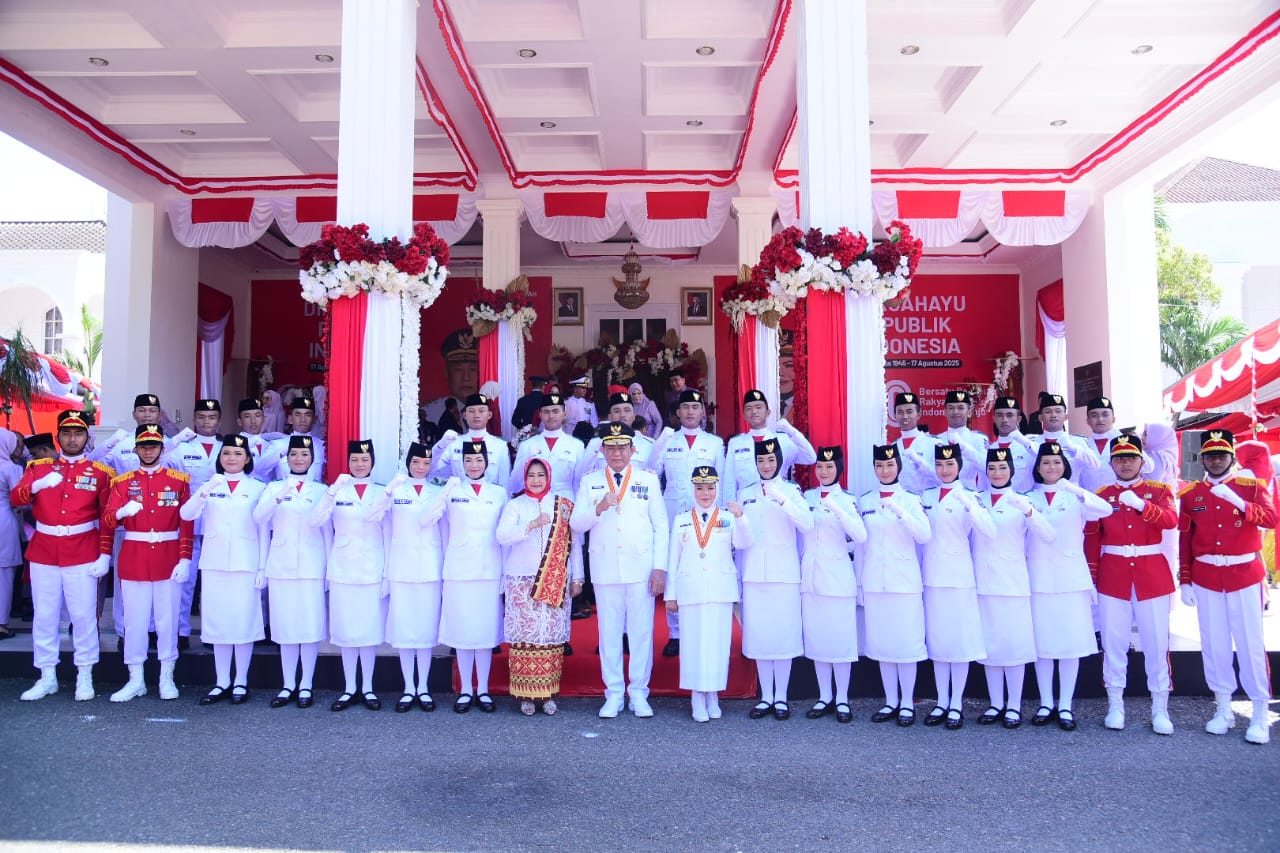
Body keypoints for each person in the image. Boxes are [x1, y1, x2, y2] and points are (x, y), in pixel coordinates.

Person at [1178, 430, 1276, 744]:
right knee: (1214, 643)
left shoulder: (1250, 486)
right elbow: (1186, 541)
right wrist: (1186, 579)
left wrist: (1239, 503)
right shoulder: (1191, 494)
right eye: (1210, 455)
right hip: (1207, 576)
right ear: (1202, 458)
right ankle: (1222, 707)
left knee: (1249, 644)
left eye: (1221, 454)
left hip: (1244, 574)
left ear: (1231, 457)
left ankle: (1259, 711)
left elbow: (1272, 518)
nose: (1216, 460)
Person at [12, 410, 114, 701]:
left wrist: (104, 554)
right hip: (45, 549)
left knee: (82, 616)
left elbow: (107, 518)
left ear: (87, 437)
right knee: (44, 616)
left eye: (78, 433)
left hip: (82, 549)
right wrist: (36, 486)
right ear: (58, 437)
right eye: (67, 433)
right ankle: (47, 676)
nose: (72, 439)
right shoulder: (38, 468)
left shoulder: (100, 474)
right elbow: (16, 498)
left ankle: (85, 674)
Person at [570, 423, 669, 718]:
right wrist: (597, 508)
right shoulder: (590, 482)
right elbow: (576, 524)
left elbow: (661, 526)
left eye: (622, 447)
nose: (616, 453)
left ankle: (639, 692)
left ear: (632, 450)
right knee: (609, 634)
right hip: (605, 567)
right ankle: (613, 693)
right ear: (602, 450)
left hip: (640, 568)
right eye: (610, 447)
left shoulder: (647, 480)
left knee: (640, 634)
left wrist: (660, 568)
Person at [1085, 435, 1178, 734]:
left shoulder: (1158, 490)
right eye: (1119, 458)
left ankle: (1160, 707)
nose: (1125, 463)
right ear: (1111, 462)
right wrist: (1092, 577)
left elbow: (1170, 521)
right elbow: (1092, 538)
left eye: (1131, 458)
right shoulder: (1101, 494)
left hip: (1151, 574)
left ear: (1141, 460)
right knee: (1113, 643)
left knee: (1156, 643)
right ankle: (1115, 704)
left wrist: (1142, 505)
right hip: (1114, 575)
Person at [102, 424, 194, 702]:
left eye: (153, 445)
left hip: (167, 557)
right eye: (144, 445)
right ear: (136, 449)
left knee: (168, 622)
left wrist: (185, 558)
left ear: (162, 449)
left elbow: (186, 524)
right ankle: (136, 680)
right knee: (135, 622)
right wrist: (120, 512)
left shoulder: (179, 481)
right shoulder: (122, 483)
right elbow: (107, 521)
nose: (149, 450)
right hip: (135, 556)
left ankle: (167, 677)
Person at [1025, 441, 1110, 730]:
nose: (1051, 467)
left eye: (1057, 463)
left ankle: (1065, 704)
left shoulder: (1076, 498)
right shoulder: (1028, 498)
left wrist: (1074, 488)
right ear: (1037, 468)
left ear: (1065, 467)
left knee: (1070, 644)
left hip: (1070, 578)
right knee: (1043, 644)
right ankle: (1046, 701)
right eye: (1046, 463)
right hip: (1038, 577)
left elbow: (1106, 509)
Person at [179, 434, 268, 705]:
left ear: (248, 459)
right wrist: (205, 491)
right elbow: (186, 514)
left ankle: (240, 681)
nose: (231, 458)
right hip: (215, 562)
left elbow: (263, 530)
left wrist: (262, 567)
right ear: (220, 458)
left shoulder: (258, 488)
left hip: (246, 562)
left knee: (242, 622)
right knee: (218, 623)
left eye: (238, 454)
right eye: (227, 453)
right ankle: (221, 681)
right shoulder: (210, 484)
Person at [497, 458, 584, 715]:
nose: (536, 480)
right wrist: (531, 525)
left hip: (556, 578)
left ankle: (547, 694)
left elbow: (574, 545)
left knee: (549, 638)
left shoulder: (564, 506)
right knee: (525, 639)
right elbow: (502, 536)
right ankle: (525, 696)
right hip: (521, 579)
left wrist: (577, 578)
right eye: (532, 475)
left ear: (549, 477)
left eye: (541, 475)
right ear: (525, 478)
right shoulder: (515, 505)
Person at [666, 464, 749, 722]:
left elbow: (745, 543)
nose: (705, 493)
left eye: (710, 488)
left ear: (717, 489)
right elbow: (673, 559)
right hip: (690, 589)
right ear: (693, 489)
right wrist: (671, 594)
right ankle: (696, 696)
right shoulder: (681, 519)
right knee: (692, 644)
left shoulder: (727, 517)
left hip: (719, 589)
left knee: (717, 644)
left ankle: (713, 693)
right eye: (700, 488)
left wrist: (741, 518)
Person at [370, 441, 448, 713]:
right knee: (405, 630)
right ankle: (408, 688)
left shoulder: (438, 492)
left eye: (426, 463)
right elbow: (375, 517)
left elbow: (445, 533)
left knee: (425, 631)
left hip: (429, 566)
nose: (421, 467)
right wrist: (389, 489)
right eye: (416, 462)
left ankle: (423, 687)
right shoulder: (396, 491)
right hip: (401, 566)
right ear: (408, 463)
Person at [856, 444, 931, 726]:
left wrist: (902, 512)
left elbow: (924, 535)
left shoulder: (911, 499)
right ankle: (890, 701)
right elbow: (862, 546)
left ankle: (908, 702)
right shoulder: (866, 501)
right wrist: (861, 584)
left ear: (898, 467)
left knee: (906, 644)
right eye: (879, 466)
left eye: (889, 465)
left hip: (904, 582)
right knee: (883, 644)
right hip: (876, 580)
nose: (884, 470)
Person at [973, 448, 1048, 729]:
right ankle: (995, 703)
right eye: (992, 468)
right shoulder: (976, 500)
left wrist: (1028, 510)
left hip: (1012, 581)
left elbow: (1045, 534)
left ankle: (1014, 705)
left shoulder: (1022, 500)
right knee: (990, 646)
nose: (997, 473)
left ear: (1012, 472)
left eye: (1002, 468)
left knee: (1013, 646)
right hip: (983, 581)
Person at [737, 439, 812, 720]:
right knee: (760, 636)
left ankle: (781, 697)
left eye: (770, 460)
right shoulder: (746, 493)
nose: (766, 466)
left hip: (784, 574)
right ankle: (766, 696)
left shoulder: (792, 491)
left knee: (782, 637)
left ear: (779, 462)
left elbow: (806, 525)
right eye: (761, 461)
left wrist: (783, 499)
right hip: (755, 573)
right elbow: (741, 537)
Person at [920, 444, 994, 728]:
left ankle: (956, 703)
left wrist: (972, 506)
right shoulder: (925, 496)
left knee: (960, 640)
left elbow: (987, 532)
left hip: (960, 575)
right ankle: (941, 701)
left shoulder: (970, 496)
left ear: (959, 466)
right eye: (940, 465)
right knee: (940, 640)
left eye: (950, 465)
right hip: (932, 576)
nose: (944, 470)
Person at [254, 436, 331, 709]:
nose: (299, 459)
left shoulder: (321, 490)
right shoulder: (273, 487)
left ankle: (307, 684)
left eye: (304, 455)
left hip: (312, 563)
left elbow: (327, 533)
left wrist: (328, 570)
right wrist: (280, 493)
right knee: (286, 627)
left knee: (309, 627)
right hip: (281, 563)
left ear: (312, 460)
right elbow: (260, 519)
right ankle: (288, 684)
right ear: (285, 459)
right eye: (294, 455)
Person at [312, 440, 388, 712]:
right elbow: (316, 520)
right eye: (354, 459)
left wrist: (387, 573)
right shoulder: (338, 491)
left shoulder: (382, 492)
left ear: (372, 463)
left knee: (367, 630)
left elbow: (388, 534)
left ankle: (367, 687)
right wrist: (332, 491)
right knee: (345, 630)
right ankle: (349, 688)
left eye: (364, 459)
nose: (359, 464)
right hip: (343, 566)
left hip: (372, 567)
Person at [654, 388, 724, 656]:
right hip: (673, 512)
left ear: (702, 412)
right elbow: (652, 470)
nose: (690, 412)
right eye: (685, 408)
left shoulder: (715, 443)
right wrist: (661, 440)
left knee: (702, 567)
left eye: (695, 408)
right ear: (678, 412)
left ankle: (701, 629)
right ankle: (676, 633)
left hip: (706, 514)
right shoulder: (670, 440)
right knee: (675, 567)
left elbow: (723, 484)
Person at [799, 446, 866, 723]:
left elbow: (859, 536)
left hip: (838, 577)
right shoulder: (807, 497)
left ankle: (842, 698)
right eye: (820, 467)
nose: (824, 472)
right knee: (818, 640)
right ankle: (824, 695)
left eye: (829, 467)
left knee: (840, 641)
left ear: (839, 469)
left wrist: (838, 509)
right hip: (812, 576)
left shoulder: (848, 499)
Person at [439, 440, 503, 714]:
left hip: (489, 568)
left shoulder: (499, 494)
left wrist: (504, 574)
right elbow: (442, 532)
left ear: (486, 464)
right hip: (459, 568)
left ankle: (484, 689)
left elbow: (503, 537)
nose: (473, 465)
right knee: (464, 631)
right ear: (461, 464)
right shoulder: (451, 492)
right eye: (468, 461)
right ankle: (466, 689)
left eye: (478, 461)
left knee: (485, 632)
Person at [165, 398, 224, 650]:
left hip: (220, 523)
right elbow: (161, 462)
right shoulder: (181, 449)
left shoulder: (228, 447)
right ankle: (180, 630)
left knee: (216, 581)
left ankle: (215, 632)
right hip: (189, 523)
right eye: (201, 417)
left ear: (219, 420)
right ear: (194, 419)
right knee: (185, 579)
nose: (206, 422)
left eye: (211, 417)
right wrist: (176, 439)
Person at [722, 389, 816, 503]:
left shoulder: (782, 440)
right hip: (746, 505)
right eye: (749, 408)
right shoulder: (736, 443)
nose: (754, 411)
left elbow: (811, 458)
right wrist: (729, 510)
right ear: (744, 415)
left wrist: (792, 432)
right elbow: (729, 481)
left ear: (768, 412)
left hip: (776, 502)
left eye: (758, 407)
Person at [510, 392, 585, 497]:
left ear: (564, 413)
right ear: (540, 414)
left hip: (565, 503)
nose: (551, 416)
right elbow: (515, 483)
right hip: (534, 503)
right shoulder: (527, 445)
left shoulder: (576, 446)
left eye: (555, 411)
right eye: (546, 412)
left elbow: (579, 483)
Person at [577, 391, 668, 477]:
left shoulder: (649, 445)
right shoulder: (596, 443)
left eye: (627, 410)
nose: (622, 415)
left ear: (634, 416)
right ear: (610, 417)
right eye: (617, 411)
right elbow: (584, 474)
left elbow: (655, 476)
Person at [431, 393, 511, 488]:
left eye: (481, 411)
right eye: (472, 411)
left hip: (490, 500)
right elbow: (432, 469)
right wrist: (440, 445)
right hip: (460, 499)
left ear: (489, 415)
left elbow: (505, 482)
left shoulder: (499, 446)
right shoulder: (454, 444)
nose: (476, 415)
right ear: (465, 415)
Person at [1026, 393, 1100, 482]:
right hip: (1039, 493)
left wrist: (1074, 448)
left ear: (1066, 416)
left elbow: (1095, 465)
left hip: (1071, 494)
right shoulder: (1031, 442)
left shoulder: (1078, 441)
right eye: (1048, 412)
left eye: (1058, 411)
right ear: (1040, 417)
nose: (1053, 415)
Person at [422, 328, 480, 426]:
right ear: (446, 372)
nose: (466, 378)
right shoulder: (430, 413)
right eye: (458, 370)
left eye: (473, 369)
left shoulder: (490, 410)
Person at [892, 391, 940, 495]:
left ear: (919, 414)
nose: (905, 416)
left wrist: (919, 462)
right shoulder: (892, 447)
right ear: (895, 415)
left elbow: (943, 477)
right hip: (902, 505)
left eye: (909, 411)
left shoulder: (934, 443)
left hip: (927, 504)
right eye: (900, 412)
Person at [268, 395, 326, 481]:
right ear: (290, 419)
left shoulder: (322, 447)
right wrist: (278, 454)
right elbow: (259, 471)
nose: (302, 419)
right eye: (298, 414)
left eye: (307, 415)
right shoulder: (278, 445)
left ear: (314, 419)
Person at [939, 390, 988, 490]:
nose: (955, 412)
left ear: (969, 412)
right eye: (951, 408)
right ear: (945, 412)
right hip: (942, 496)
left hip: (970, 496)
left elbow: (986, 466)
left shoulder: (978, 439)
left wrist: (964, 447)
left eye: (961, 408)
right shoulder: (937, 440)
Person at [0, 430, 23, 641]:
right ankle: (1, 625)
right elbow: (20, 499)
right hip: (4, 523)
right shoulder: (10, 468)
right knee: (4, 575)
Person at [988, 396, 1035, 493]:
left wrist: (1023, 440)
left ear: (1019, 419)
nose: (1004, 420)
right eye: (1000, 415)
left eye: (1009, 415)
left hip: (1024, 502)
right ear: (994, 418)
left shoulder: (1029, 446)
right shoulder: (989, 449)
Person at [1078, 396, 1122, 493]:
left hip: (1119, 501)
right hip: (1090, 502)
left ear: (1114, 419)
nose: (1100, 419)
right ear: (1088, 421)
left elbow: (1148, 467)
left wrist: (1122, 439)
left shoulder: (1123, 443)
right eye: (1094, 415)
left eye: (1105, 415)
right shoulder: (1082, 446)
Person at [236, 397, 283, 482]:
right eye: (247, 416)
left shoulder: (271, 443)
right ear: (239, 421)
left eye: (257, 415)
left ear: (264, 419)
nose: (253, 421)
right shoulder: (234, 445)